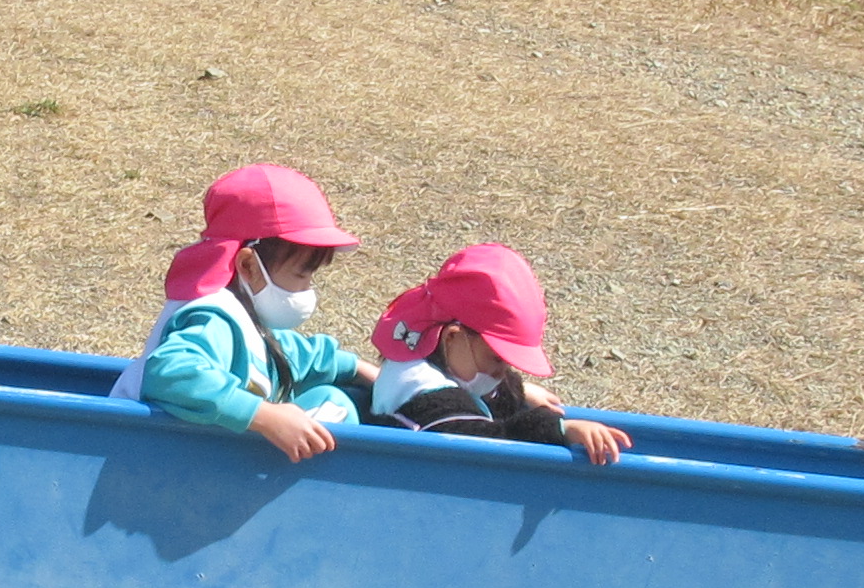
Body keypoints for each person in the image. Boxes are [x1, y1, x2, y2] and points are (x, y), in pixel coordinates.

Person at [114, 163, 376, 463]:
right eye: (301, 275)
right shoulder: (214, 319)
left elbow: (288, 354)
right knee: (333, 411)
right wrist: (265, 417)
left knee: (333, 400)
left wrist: (358, 368)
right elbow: (169, 372)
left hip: (193, 459)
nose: (307, 289)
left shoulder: (246, 317)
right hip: (151, 456)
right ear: (248, 265)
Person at [368, 244, 631, 465]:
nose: (501, 373)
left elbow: (479, 391)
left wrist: (518, 391)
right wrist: (558, 429)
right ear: (452, 337)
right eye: (496, 359)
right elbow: (487, 441)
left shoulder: (443, 361)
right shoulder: (424, 393)